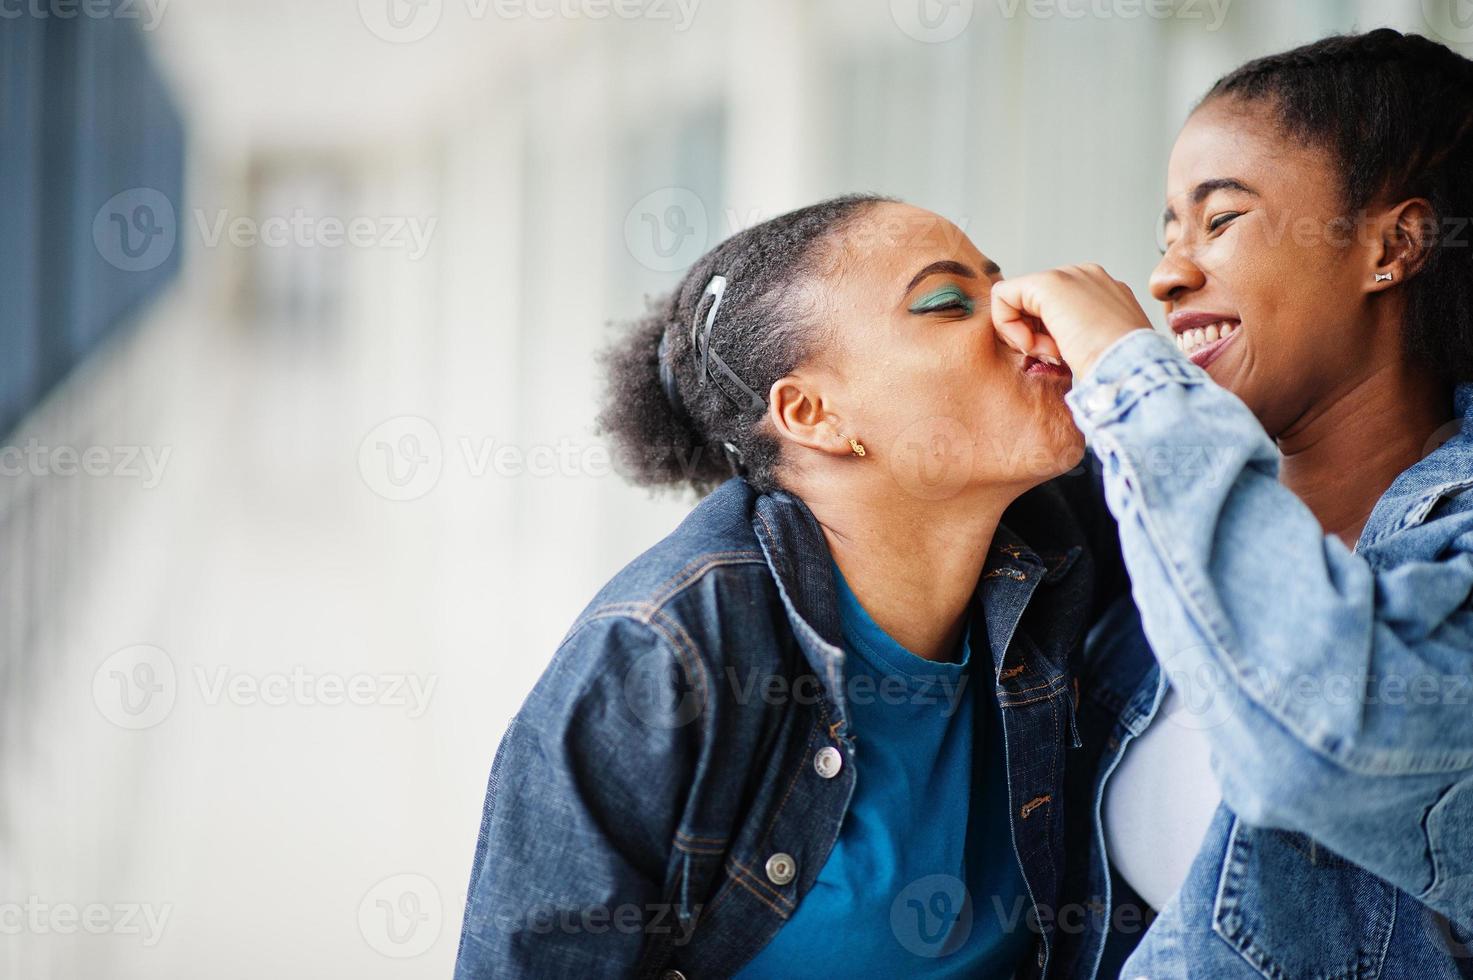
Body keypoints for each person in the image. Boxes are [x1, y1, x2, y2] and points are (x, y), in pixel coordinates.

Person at [452, 195, 1116, 978]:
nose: (1021, 316)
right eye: (946, 303)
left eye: (999, 285)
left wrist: (1130, 367)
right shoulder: (661, 650)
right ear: (813, 415)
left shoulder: (1078, 533)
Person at [992, 28, 1473, 978]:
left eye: (1219, 221)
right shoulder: (1135, 554)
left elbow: (1322, 733)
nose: (1166, 277)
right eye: (1167, 232)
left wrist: (1125, 373)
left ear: (1393, 244)